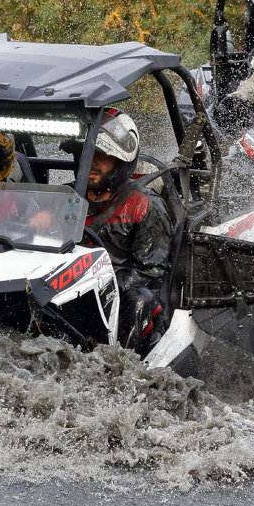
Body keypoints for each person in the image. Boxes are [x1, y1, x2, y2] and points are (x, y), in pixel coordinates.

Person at [77, 109, 172, 356]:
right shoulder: (65, 199)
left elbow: (151, 273)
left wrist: (102, 282)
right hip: (66, 288)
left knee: (140, 298)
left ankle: (122, 369)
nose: (91, 162)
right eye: (86, 154)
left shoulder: (144, 205)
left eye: (101, 156)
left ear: (120, 161)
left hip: (120, 297)